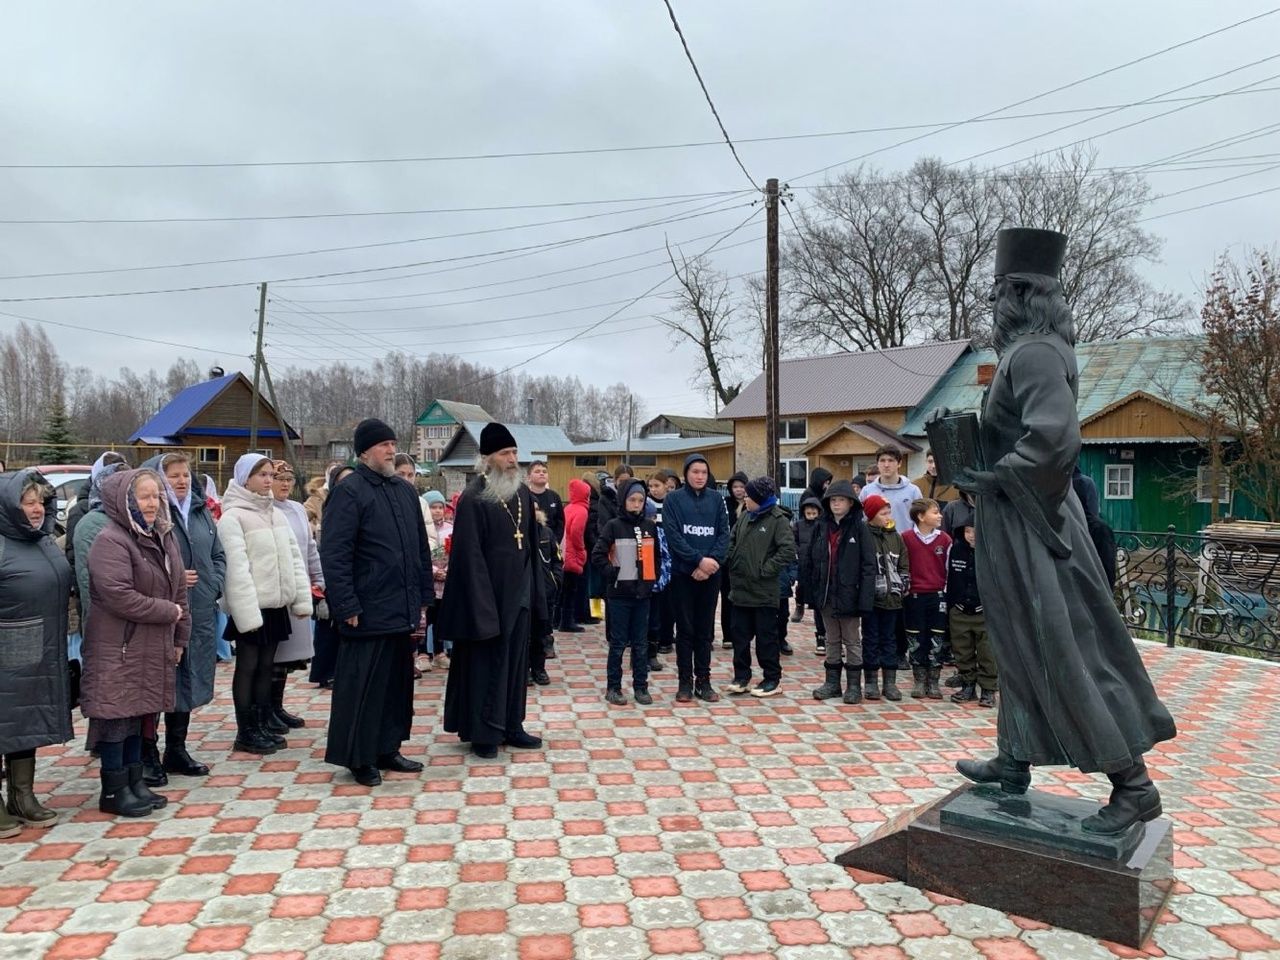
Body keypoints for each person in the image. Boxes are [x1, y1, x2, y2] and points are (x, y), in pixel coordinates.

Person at [945, 226, 1175, 835]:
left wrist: (992, 477)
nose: (993, 303)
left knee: (1063, 647)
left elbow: (1054, 439)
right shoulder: (1032, 349)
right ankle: (1015, 758)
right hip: (1017, 516)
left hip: (1035, 524)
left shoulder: (1037, 352)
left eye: (998, 291)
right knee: (1020, 641)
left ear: (1018, 292)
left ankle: (1133, 784)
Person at [322, 420, 432, 785]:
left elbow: (418, 549)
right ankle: (359, 756)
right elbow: (335, 554)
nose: (390, 450)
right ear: (365, 451)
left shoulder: (402, 491)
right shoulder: (349, 491)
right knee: (363, 687)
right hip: (365, 609)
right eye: (383, 444)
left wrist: (422, 598)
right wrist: (346, 605)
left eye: (393, 443)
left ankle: (388, 747)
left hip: (399, 607)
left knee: (395, 685)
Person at [82, 468, 190, 817]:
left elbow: (179, 592)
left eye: (156, 496)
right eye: (144, 496)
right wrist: (167, 611)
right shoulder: (111, 540)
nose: (152, 503)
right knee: (116, 716)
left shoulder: (163, 536)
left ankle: (134, 781)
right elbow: (118, 595)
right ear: (125, 500)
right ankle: (113, 790)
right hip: (120, 645)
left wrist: (180, 635)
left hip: (153, 643)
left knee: (140, 713)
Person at [440, 423, 545, 759]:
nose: (513, 460)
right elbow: (468, 557)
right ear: (486, 458)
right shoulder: (474, 498)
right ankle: (484, 733)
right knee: (487, 666)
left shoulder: (523, 494)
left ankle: (512, 725)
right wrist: (483, 606)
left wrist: (534, 595)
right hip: (486, 601)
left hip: (520, 596)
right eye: (505, 453)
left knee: (515, 664)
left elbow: (529, 547)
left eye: (514, 453)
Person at [219, 455, 313, 756]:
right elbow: (236, 568)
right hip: (252, 605)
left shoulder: (275, 513)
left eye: (271, 475)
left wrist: (299, 597)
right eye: (262, 475)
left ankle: (262, 723)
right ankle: (245, 730)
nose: (269, 480)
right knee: (247, 667)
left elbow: (294, 559)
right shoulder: (233, 516)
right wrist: (246, 612)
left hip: (275, 604)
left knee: (266, 666)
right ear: (245, 478)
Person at [140, 453, 225, 779]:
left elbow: (218, 555)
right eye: (173, 475)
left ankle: (176, 749)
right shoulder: (151, 513)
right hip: (162, 613)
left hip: (199, 609)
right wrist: (173, 578)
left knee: (189, 680)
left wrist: (214, 584)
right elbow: (141, 563)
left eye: (185, 474)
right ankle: (147, 753)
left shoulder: (201, 512)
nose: (181, 480)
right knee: (158, 683)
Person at [0, 471, 73, 836]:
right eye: (26, 503)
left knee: (24, 724)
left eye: (39, 502)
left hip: (39, 647)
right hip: (5, 649)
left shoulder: (42, 539)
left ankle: (22, 796)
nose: (35, 509)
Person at [661, 453, 730, 703]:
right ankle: (685, 682)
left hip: (710, 574)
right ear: (685, 474)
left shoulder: (717, 499)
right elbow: (673, 536)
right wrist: (697, 560)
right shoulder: (674, 500)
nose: (699, 476)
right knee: (686, 630)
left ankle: (704, 681)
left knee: (704, 631)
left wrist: (710, 563)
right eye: (695, 472)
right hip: (684, 573)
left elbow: (724, 533)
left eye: (703, 472)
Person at [723, 477, 796, 699]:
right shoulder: (745, 516)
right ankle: (741, 676)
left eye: (749, 496)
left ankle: (772, 679)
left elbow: (787, 550)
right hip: (740, 589)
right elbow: (732, 541)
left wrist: (764, 569)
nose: (745, 499)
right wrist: (732, 561)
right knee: (740, 636)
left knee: (766, 638)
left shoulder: (778, 519)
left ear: (761, 499)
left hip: (764, 592)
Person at [591, 479, 661, 705]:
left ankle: (641, 686)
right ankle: (613, 687)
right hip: (620, 595)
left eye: (641, 500)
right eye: (632, 500)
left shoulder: (650, 527)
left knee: (641, 644)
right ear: (623, 500)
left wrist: (652, 579)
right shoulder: (613, 525)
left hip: (643, 595)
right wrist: (614, 574)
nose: (637, 504)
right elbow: (598, 555)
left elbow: (656, 557)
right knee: (619, 643)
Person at [808, 480, 878, 704]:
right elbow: (812, 560)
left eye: (841, 500)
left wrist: (865, 598)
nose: (836, 504)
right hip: (827, 593)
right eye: (833, 500)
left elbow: (869, 566)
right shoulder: (821, 526)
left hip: (851, 594)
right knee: (831, 639)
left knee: (852, 640)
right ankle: (832, 683)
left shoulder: (860, 527)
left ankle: (854, 686)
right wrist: (811, 592)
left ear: (851, 503)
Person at [270, 461, 324, 730]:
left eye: (289, 479)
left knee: (289, 655)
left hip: (299, 590)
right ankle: (264, 708)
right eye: (279, 478)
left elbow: (309, 547)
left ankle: (277, 706)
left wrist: (319, 577)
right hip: (275, 590)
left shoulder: (297, 510)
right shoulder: (265, 510)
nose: (285, 484)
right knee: (271, 654)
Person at [308, 464, 353, 688]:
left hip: (352, 574)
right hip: (331, 572)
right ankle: (326, 671)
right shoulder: (330, 505)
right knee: (329, 626)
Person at [902, 498, 952, 699]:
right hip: (913, 596)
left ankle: (934, 680)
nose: (940, 515)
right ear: (921, 517)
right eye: (935, 512)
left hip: (937, 595)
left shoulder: (945, 539)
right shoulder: (906, 538)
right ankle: (919, 679)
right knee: (915, 637)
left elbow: (948, 568)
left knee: (937, 636)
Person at [862, 494, 909, 702]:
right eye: (883, 513)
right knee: (871, 639)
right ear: (871, 515)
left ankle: (890, 682)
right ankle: (871, 681)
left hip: (893, 598)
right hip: (871, 599)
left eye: (888, 512)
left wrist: (903, 583)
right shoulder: (863, 534)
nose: (888, 516)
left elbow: (904, 564)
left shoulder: (895, 537)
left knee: (890, 639)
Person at [946, 521, 994, 707]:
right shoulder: (956, 550)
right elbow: (949, 577)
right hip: (959, 610)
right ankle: (968, 686)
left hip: (984, 612)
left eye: (975, 530)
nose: (971, 535)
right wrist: (952, 605)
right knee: (962, 650)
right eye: (967, 531)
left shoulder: (991, 551)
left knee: (987, 652)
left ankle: (988, 689)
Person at [645, 471, 675, 665]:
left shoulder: (672, 504)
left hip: (667, 561)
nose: (654, 490)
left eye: (657, 486)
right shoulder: (646, 503)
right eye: (651, 486)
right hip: (647, 561)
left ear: (667, 485)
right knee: (648, 611)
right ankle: (644, 650)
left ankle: (664, 639)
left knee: (666, 605)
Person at [530, 505, 560, 686]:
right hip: (524, 593)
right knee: (524, 635)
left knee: (542, 632)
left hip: (545, 591)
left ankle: (539, 669)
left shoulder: (546, 533)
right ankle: (523, 669)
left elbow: (557, 559)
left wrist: (555, 580)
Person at [859, 447, 922, 533]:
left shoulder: (913, 491)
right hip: (875, 544)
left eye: (891, 460)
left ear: (899, 463)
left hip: (905, 543)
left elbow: (920, 522)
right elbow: (862, 520)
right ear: (877, 464)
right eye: (882, 460)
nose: (886, 465)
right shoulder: (867, 491)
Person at [422, 489, 452, 670]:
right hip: (428, 581)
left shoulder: (451, 528)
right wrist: (433, 571)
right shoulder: (421, 528)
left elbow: (457, 551)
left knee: (442, 618)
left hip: (446, 582)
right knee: (425, 619)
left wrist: (448, 570)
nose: (437, 511)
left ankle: (440, 652)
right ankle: (423, 653)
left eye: (440, 507)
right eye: (433, 507)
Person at [793, 496, 827, 654]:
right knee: (814, 602)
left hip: (822, 568)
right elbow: (793, 541)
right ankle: (820, 635)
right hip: (805, 566)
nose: (811, 514)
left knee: (824, 604)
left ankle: (830, 637)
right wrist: (799, 551)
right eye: (808, 512)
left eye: (814, 512)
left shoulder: (824, 526)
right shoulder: (798, 525)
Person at [719, 472, 749, 649]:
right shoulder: (725, 504)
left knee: (743, 598)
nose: (738, 490)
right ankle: (727, 635)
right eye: (735, 487)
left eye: (741, 486)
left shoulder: (751, 505)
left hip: (745, 557)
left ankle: (742, 633)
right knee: (727, 598)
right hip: (727, 558)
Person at [559, 478, 590, 634]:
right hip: (574, 554)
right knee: (571, 590)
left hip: (564, 552)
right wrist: (582, 549)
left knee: (563, 590)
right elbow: (576, 531)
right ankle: (567, 622)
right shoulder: (582, 510)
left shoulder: (568, 507)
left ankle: (558, 620)